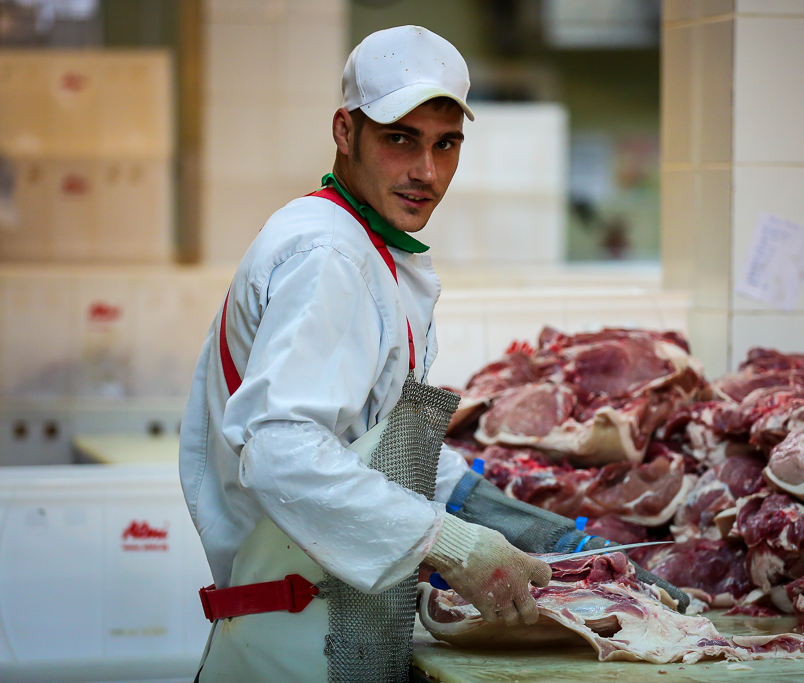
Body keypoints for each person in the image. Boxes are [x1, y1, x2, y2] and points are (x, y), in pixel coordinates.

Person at [180, 25, 687, 683]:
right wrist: (452, 543)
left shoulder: (368, 249)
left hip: (329, 628)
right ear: (344, 131)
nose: (427, 171)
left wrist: (527, 528)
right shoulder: (327, 257)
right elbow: (282, 451)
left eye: (446, 143)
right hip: (290, 640)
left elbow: (376, 445)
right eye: (400, 139)